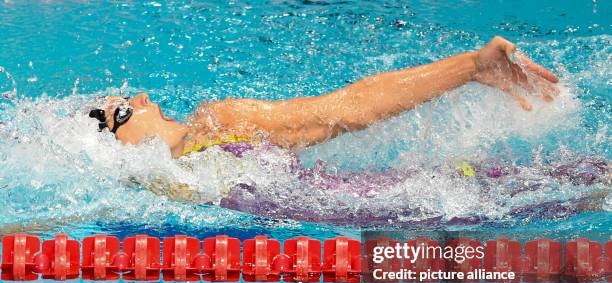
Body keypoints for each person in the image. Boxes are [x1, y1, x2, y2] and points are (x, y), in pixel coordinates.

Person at [89, 36, 559, 159]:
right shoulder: (163, 176)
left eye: (125, 107)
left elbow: (347, 110)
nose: (142, 98)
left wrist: (469, 67)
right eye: (121, 111)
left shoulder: (216, 124)